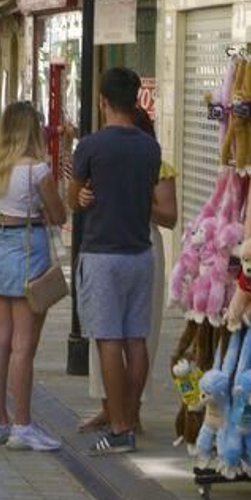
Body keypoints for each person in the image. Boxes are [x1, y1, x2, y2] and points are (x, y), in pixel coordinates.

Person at [65, 67, 162, 455]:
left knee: (107, 339)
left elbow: (73, 200)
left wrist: (83, 196)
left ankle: (120, 427)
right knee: (136, 340)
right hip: (141, 252)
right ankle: (131, 416)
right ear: (137, 100)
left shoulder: (90, 146)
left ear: (103, 101)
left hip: (102, 253)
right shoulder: (150, 148)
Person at [0, 102, 69, 451]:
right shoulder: (36, 170)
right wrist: (46, 207)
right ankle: (23, 426)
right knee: (24, 347)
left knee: (0, 340)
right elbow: (59, 214)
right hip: (30, 249)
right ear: (32, 129)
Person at [78, 107, 179, 434]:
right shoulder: (102, 156)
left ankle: (130, 413)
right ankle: (109, 408)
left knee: (138, 334)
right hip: (108, 246)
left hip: (139, 245)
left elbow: (169, 216)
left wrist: (132, 198)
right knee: (103, 335)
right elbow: (76, 195)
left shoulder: (156, 165)